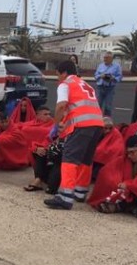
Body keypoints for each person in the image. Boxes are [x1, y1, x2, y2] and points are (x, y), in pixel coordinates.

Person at [44, 60, 104, 210]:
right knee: (86, 160)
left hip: (81, 125)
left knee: (69, 158)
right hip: (97, 124)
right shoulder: (85, 84)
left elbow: (61, 105)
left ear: (63, 73)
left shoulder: (66, 84)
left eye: (58, 74)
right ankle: (80, 192)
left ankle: (65, 196)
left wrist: (55, 124)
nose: (58, 78)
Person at [92, 117, 125, 181]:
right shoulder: (98, 131)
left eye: (110, 128)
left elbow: (118, 147)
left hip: (109, 155)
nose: (108, 130)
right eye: (106, 128)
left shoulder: (115, 133)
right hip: (103, 154)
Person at [94, 51, 123, 117]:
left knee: (108, 106)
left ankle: (107, 122)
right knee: (98, 105)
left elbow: (120, 77)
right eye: (104, 57)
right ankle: (97, 120)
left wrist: (113, 78)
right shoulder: (101, 65)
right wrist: (100, 76)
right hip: (100, 87)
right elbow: (96, 75)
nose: (105, 59)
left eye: (107, 58)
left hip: (110, 88)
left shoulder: (117, 66)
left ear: (111, 58)